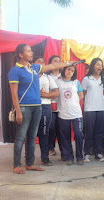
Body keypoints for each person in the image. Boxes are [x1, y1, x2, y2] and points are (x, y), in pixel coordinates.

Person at [8, 44, 75, 174]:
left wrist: (68, 62)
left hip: (37, 107)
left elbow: (53, 66)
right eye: (28, 51)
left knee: (32, 137)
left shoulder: (34, 68)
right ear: (21, 55)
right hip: (24, 107)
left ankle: (30, 163)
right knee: (21, 137)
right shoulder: (15, 71)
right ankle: (17, 165)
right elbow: (14, 93)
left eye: (31, 50)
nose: (31, 53)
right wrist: (18, 111)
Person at [33, 56, 59, 166]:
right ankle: (29, 159)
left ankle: (45, 157)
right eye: (39, 62)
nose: (41, 64)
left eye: (43, 62)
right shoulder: (30, 75)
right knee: (31, 134)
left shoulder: (48, 78)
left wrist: (47, 95)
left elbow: (56, 92)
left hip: (45, 107)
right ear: (34, 64)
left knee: (44, 133)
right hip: (32, 107)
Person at [57, 65, 84, 165]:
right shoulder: (58, 82)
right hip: (63, 114)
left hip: (76, 114)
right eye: (68, 69)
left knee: (78, 135)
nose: (70, 72)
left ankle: (80, 157)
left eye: (72, 71)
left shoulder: (76, 82)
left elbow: (81, 96)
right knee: (65, 137)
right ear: (64, 70)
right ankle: (69, 157)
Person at [82, 58, 104, 163]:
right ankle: (87, 153)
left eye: (101, 65)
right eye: (98, 65)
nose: (100, 67)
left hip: (101, 108)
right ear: (93, 66)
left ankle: (98, 152)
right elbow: (83, 94)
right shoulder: (86, 79)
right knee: (89, 131)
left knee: (99, 131)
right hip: (90, 108)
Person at [47, 55, 63, 158]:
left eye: (59, 61)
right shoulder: (47, 76)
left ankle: (64, 150)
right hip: (51, 106)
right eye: (55, 61)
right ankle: (51, 148)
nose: (57, 63)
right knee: (51, 128)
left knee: (61, 129)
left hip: (63, 106)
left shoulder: (65, 75)